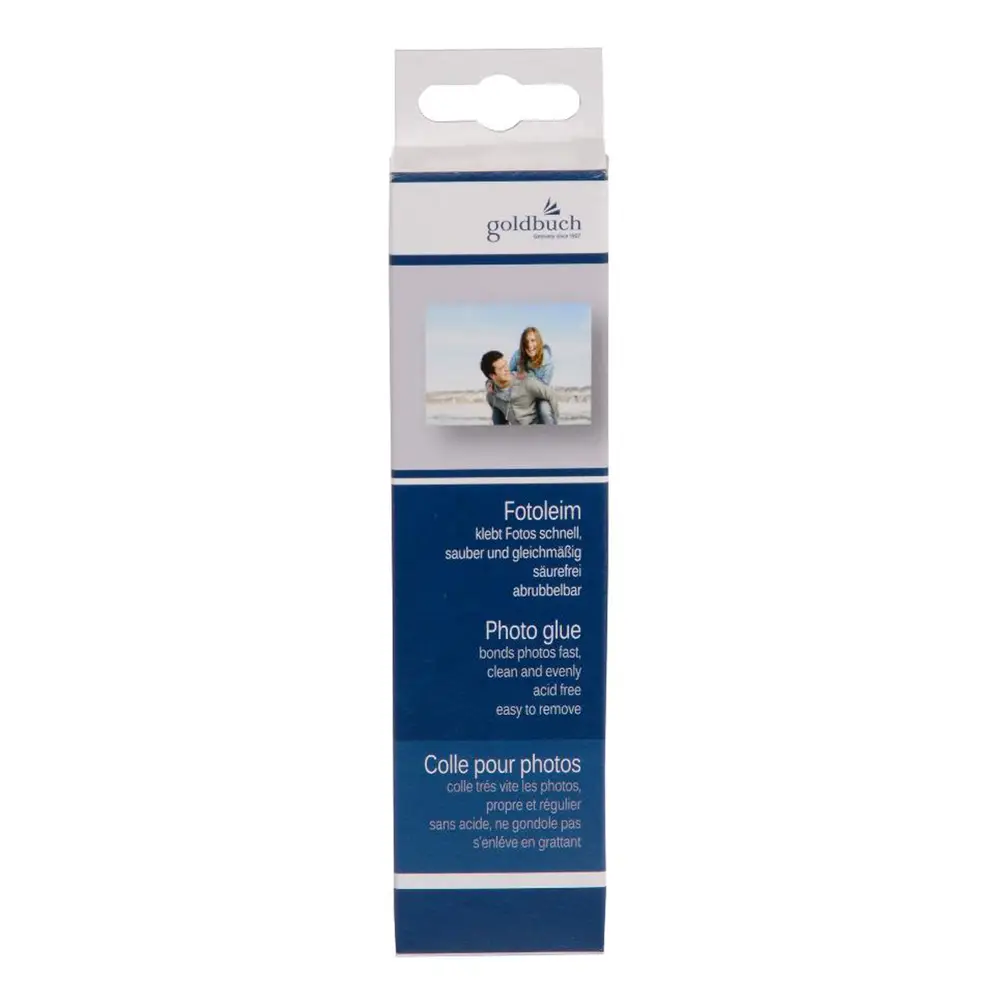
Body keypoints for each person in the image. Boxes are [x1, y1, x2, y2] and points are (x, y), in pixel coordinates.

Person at [480, 350, 560, 426]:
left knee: (544, 405)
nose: (507, 369)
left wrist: (555, 422)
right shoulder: (491, 395)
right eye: (501, 368)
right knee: (496, 410)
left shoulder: (525, 381)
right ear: (492, 376)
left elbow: (551, 394)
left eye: (506, 364)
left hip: (539, 427)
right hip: (518, 431)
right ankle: (500, 434)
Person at [507, 326, 556, 425]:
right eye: (526, 342)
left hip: (540, 394)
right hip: (521, 394)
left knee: (544, 411)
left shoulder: (547, 362)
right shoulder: (518, 355)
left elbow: (543, 387)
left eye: (533, 340)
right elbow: (507, 374)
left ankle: (553, 432)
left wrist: (526, 378)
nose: (529, 345)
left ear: (539, 342)